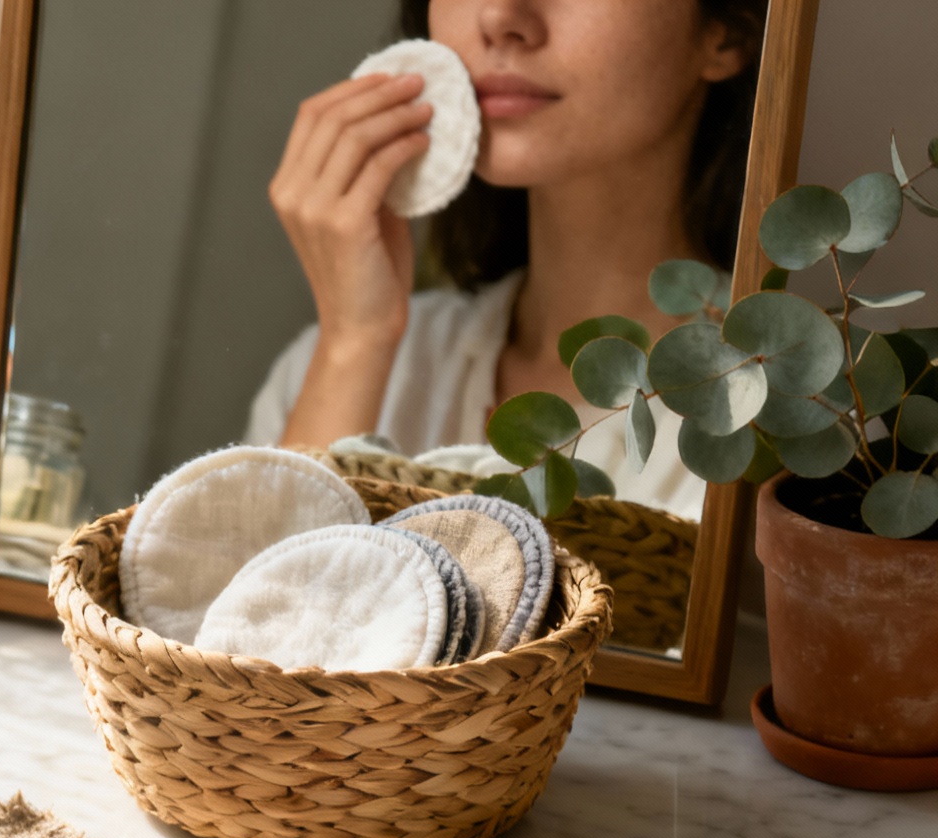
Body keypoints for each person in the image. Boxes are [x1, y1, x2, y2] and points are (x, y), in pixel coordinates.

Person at [247, 0, 762, 519]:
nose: (499, 15)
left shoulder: (777, 413)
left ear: (725, 35)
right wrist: (354, 342)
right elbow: (265, 600)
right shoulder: (328, 367)